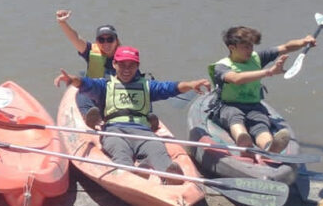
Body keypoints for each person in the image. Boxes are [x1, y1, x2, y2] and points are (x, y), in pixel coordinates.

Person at [54, 46, 209, 183]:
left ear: (137, 66)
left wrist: (191, 84)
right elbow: (87, 84)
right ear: (114, 64)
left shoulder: (147, 86)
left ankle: (169, 175)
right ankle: (132, 173)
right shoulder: (105, 86)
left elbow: (171, 88)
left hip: (143, 132)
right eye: (122, 64)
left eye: (131, 65)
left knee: (156, 148)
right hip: (115, 131)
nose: (126, 69)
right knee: (120, 150)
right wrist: (72, 79)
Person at [208, 25, 316, 152]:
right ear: (232, 48)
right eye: (245, 47)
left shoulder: (256, 58)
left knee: (261, 124)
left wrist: (303, 42)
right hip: (228, 105)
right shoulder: (221, 66)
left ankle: (269, 146)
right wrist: (269, 72)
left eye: (251, 46)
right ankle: (243, 142)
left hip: (254, 105)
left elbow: (286, 47)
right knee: (235, 118)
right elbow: (236, 79)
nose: (250, 50)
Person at [55, 9, 121, 129]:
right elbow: (76, 39)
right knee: (83, 93)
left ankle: (145, 118)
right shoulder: (91, 52)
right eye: (102, 40)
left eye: (110, 39)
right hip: (96, 93)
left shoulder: (126, 57)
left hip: (117, 95)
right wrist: (63, 23)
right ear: (97, 42)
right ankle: (89, 117)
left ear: (116, 41)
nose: (106, 43)